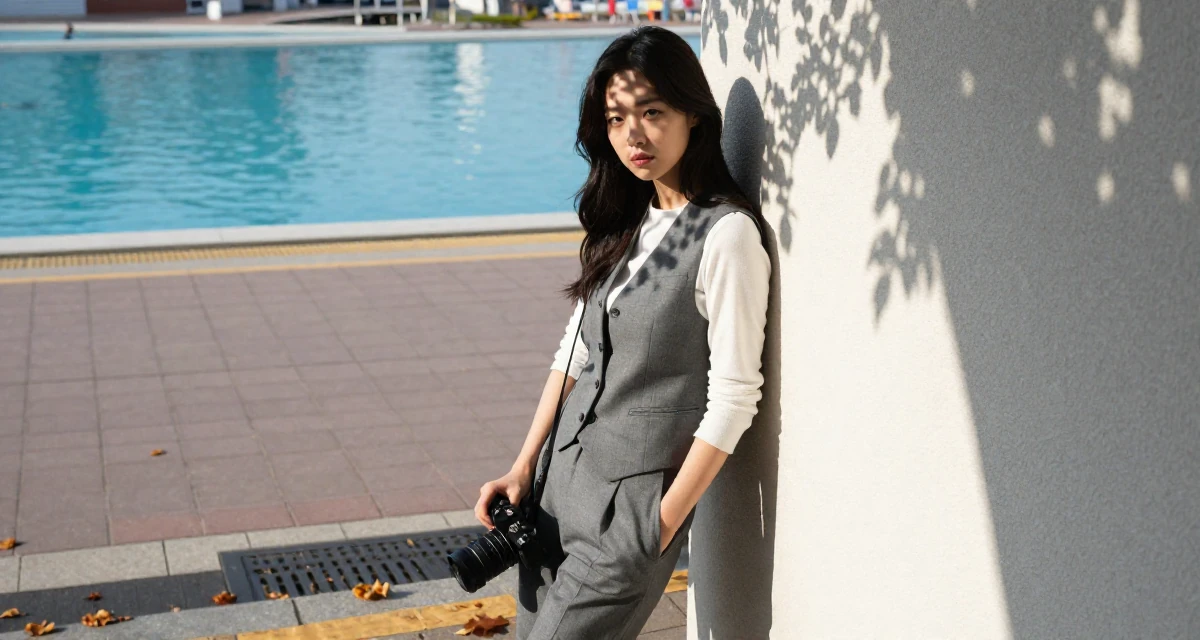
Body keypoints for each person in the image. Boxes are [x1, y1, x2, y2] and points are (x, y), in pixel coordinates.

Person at [475, 26, 770, 640]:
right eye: (615, 119)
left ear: (693, 114)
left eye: (652, 112)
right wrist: (524, 465)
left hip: (625, 519)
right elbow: (575, 350)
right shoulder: (632, 220)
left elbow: (736, 399)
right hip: (555, 492)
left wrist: (658, 526)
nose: (633, 134)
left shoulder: (727, 235)